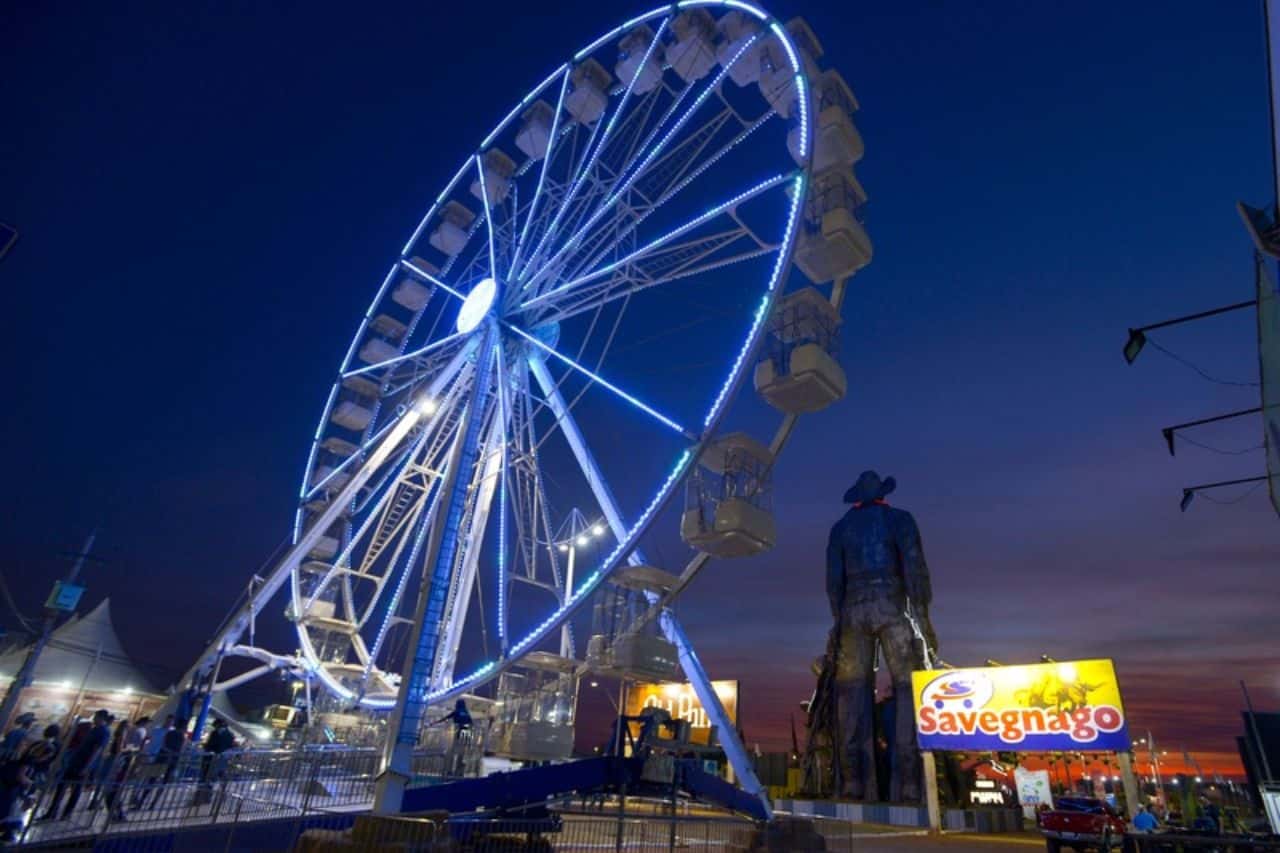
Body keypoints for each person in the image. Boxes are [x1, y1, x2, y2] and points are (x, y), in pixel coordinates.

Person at [40, 709, 111, 820]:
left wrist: (87, 766)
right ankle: (52, 812)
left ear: (101, 718)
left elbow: (97, 750)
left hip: (84, 763)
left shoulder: (103, 731)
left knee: (76, 789)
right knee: (62, 786)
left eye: (96, 716)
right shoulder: (94, 729)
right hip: (76, 761)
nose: (94, 718)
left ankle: (66, 813)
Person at [104, 717, 149, 821]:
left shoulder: (125, 741)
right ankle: (117, 814)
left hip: (118, 767)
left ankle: (116, 814)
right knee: (113, 791)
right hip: (119, 767)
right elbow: (125, 750)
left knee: (112, 791)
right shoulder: (126, 742)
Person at [433, 700, 472, 777]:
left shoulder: (457, 711)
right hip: (466, 735)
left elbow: (446, 718)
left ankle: (450, 771)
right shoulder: (466, 712)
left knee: (453, 753)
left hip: (458, 734)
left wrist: (435, 722)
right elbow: (471, 722)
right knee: (461, 754)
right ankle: (459, 772)